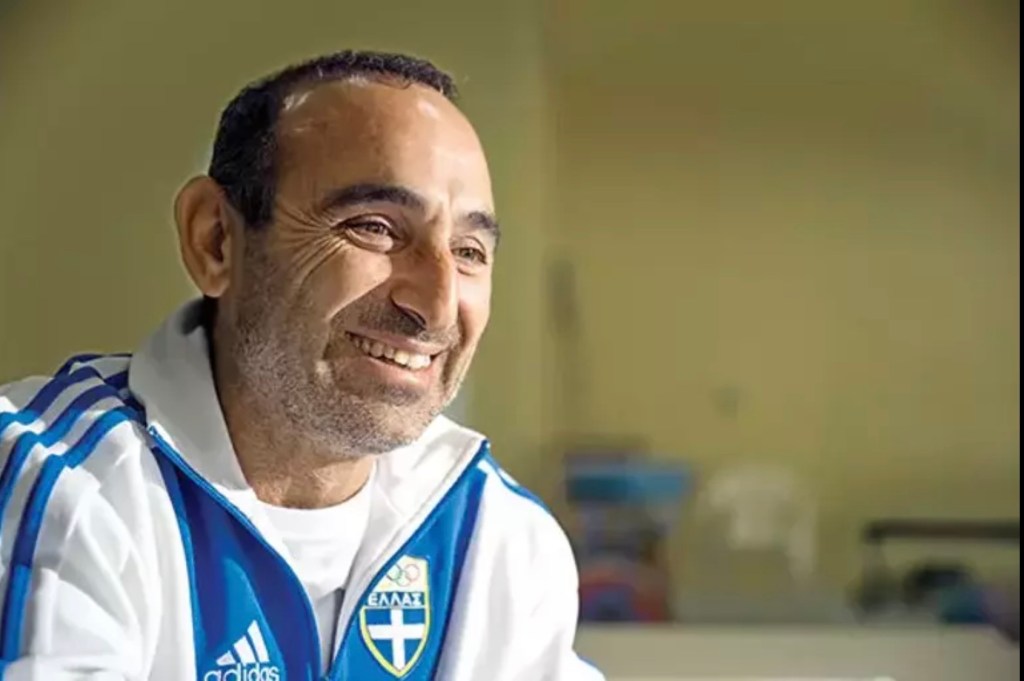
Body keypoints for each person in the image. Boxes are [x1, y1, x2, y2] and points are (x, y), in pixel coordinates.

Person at [0, 50, 602, 681]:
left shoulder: (499, 542)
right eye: (375, 227)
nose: (437, 304)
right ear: (215, 239)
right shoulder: (62, 488)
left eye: (469, 251)